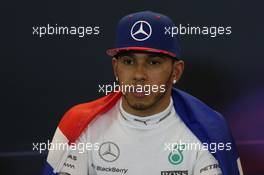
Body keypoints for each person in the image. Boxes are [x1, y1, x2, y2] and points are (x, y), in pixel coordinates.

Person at [43, 11, 243, 175]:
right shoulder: (80, 125)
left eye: (153, 62)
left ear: (176, 71)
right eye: (128, 62)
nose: (139, 75)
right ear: (115, 68)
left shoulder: (210, 133)